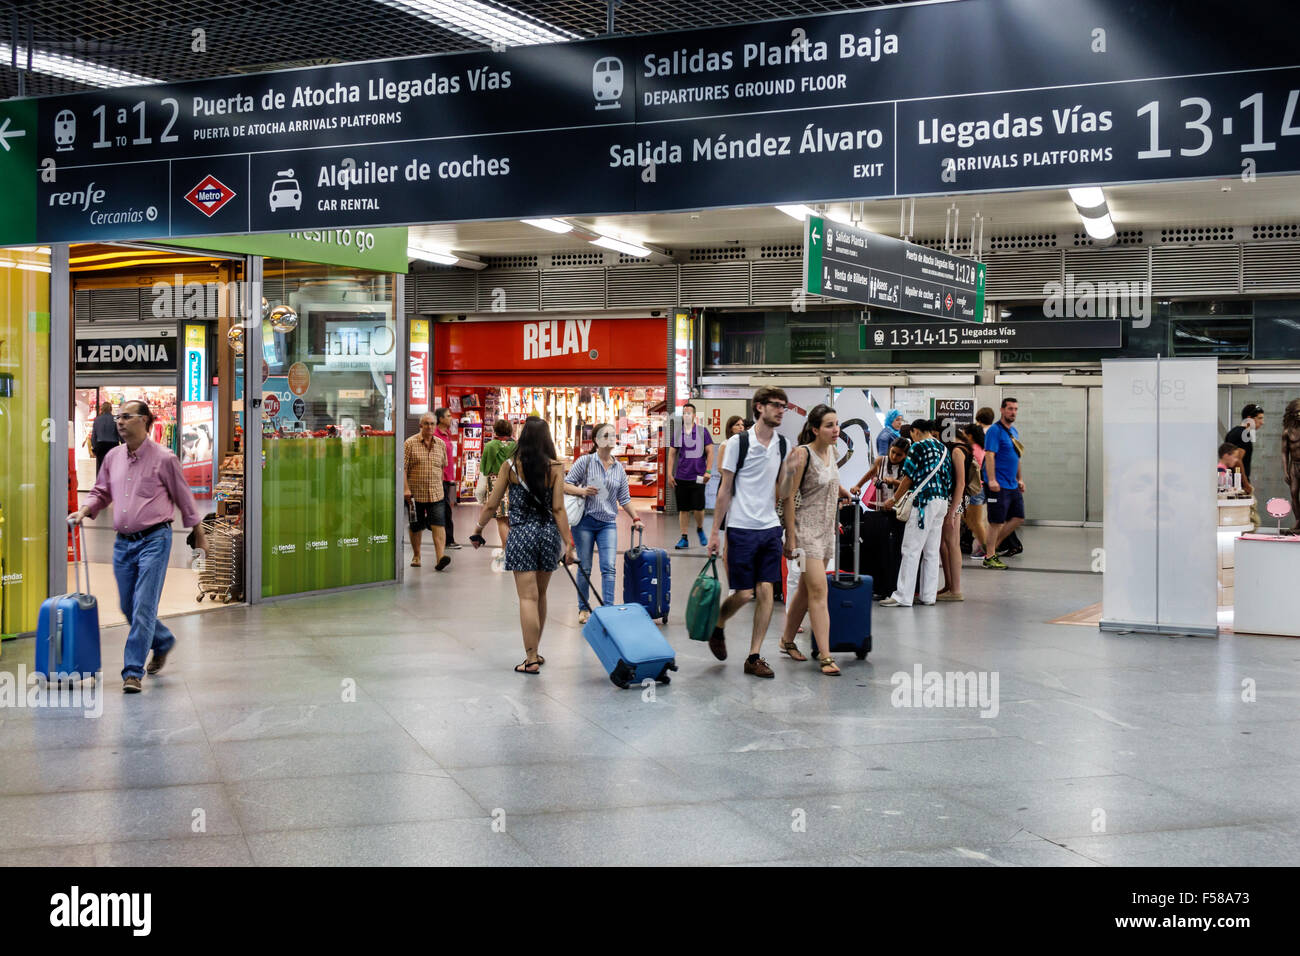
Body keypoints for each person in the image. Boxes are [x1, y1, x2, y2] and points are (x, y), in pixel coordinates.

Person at [70, 400, 206, 693]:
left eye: (126, 417)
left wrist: (199, 531)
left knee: (144, 605)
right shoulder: (113, 457)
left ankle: (132, 671)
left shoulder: (164, 458)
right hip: (123, 544)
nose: (119, 422)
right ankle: (163, 640)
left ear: (145, 421)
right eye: (118, 417)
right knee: (127, 606)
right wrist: (85, 509)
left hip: (155, 540)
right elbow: (101, 490)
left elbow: (183, 497)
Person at [471, 417, 576, 675]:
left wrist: (478, 529)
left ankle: (529, 658)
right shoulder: (555, 467)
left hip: (521, 535)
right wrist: (569, 544)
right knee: (541, 595)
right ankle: (536, 653)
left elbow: (492, 504)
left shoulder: (510, 466)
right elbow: (559, 509)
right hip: (548, 535)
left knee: (527, 598)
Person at [707, 387, 790, 678]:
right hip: (741, 528)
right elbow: (725, 489)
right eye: (776, 405)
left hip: (769, 528)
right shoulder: (737, 443)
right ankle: (717, 624)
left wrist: (789, 531)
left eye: (784, 406)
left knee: (766, 590)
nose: (781, 410)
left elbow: (784, 490)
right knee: (743, 594)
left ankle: (753, 656)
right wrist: (715, 533)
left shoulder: (783, 444)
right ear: (759, 407)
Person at [777, 405, 850, 676]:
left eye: (837, 424)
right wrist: (791, 537)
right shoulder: (802, 453)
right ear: (815, 429)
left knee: (807, 591)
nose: (836, 430)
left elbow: (828, 480)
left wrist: (843, 490)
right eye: (830, 425)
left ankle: (786, 641)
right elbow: (788, 496)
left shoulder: (832, 451)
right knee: (819, 591)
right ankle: (826, 656)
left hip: (826, 530)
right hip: (804, 533)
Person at [565, 422, 643, 623]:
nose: (611, 438)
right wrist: (583, 491)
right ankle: (583, 609)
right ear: (597, 440)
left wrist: (636, 518)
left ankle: (608, 609)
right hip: (584, 523)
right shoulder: (586, 462)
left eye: (613, 435)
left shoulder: (619, 468)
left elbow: (624, 499)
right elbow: (565, 485)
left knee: (609, 567)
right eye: (606, 435)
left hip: (608, 523)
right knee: (586, 567)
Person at [880, 419, 953, 607]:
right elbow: (948, 479)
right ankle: (928, 596)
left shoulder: (917, 447)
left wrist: (894, 499)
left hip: (924, 502)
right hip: (941, 501)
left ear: (915, 431)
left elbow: (908, 479)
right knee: (931, 551)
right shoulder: (943, 449)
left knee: (911, 549)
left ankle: (902, 596)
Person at [403, 413, 450, 570]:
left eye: (432, 424)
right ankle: (417, 556)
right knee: (416, 526)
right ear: (420, 425)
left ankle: (440, 558)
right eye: (426, 424)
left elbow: (443, 466)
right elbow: (403, 468)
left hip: (436, 493)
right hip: (414, 495)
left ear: (436, 425)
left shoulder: (441, 444)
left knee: (439, 524)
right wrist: (405, 489)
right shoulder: (409, 443)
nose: (430, 427)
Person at [983, 397, 1024, 566]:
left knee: (1018, 517)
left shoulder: (1014, 432)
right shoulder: (994, 430)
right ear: (1002, 410)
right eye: (1010, 409)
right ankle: (990, 556)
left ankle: (991, 547)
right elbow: (989, 455)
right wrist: (992, 479)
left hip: (1012, 484)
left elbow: (1017, 456)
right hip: (998, 484)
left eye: (1015, 409)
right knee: (996, 521)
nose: (1013, 412)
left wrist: (1020, 478)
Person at [667, 403, 714, 549]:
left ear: (694, 415)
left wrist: (708, 471)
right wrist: (669, 473)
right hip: (681, 477)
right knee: (684, 509)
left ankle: (700, 528)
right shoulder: (678, 433)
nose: (686, 415)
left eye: (689, 413)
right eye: (684, 413)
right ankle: (684, 537)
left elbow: (710, 452)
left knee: (699, 508)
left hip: (698, 476)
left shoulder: (702, 432)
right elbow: (672, 454)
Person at [937, 426, 974, 602]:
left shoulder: (957, 451)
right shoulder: (963, 448)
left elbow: (960, 483)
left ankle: (956, 589)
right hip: (956, 500)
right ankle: (950, 585)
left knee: (952, 543)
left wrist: (952, 511)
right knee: (947, 544)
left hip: (955, 500)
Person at [480, 419, 517, 549]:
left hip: (495, 483)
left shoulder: (490, 446)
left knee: (501, 519)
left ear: (495, 430)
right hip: (513, 482)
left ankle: (505, 549)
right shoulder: (515, 446)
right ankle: (514, 547)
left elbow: (484, 469)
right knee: (513, 518)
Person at [961, 423, 994, 562]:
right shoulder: (981, 448)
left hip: (975, 489)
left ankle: (987, 550)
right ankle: (986, 548)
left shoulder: (972, 449)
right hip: (979, 488)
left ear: (970, 435)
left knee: (976, 522)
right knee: (970, 519)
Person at [433, 407, 462, 549]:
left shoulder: (447, 434)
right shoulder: (435, 435)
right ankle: (448, 540)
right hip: (438, 477)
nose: (451, 418)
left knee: (444, 508)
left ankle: (446, 538)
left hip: (447, 478)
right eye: (448, 416)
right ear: (440, 419)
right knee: (445, 509)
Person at [89, 401, 120, 475]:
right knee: (113, 467)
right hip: (113, 445)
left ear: (102, 409)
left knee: (101, 467)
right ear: (111, 409)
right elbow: (119, 432)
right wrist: (123, 443)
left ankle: (101, 484)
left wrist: (94, 447)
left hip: (101, 445)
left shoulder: (97, 419)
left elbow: (94, 435)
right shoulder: (115, 418)